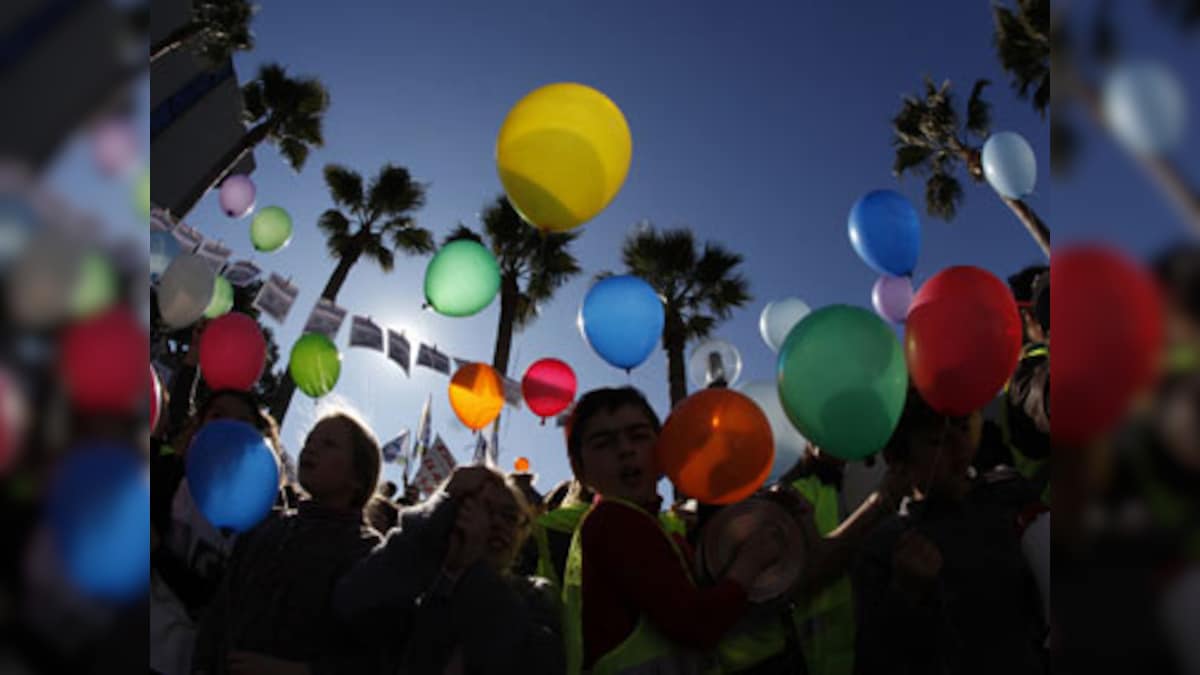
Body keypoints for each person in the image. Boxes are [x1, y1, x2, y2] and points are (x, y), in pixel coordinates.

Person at [561, 386, 781, 675]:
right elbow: (697, 624)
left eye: (638, 436)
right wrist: (749, 564)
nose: (626, 449)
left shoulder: (659, 527)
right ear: (580, 470)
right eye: (604, 443)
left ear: (664, 448)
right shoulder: (612, 520)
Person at [854, 387, 1047, 675]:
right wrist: (905, 592)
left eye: (962, 427)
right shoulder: (885, 547)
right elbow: (876, 661)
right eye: (938, 440)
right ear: (899, 460)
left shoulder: (1010, 495)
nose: (960, 446)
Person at [191, 411, 383, 675]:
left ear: (358, 478)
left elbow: (374, 655)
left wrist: (297, 671)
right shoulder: (267, 525)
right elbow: (221, 610)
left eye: (329, 444)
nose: (311, 448)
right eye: (311, 440)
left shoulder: (367, 551)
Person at [333, 464, 563, 674]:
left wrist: (475, 571)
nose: (498, 524)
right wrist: (436, 512)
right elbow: (351, 601)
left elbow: (534, 661)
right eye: (486, 510)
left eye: (510, 517)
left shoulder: (535, 596)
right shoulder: (420, 581)